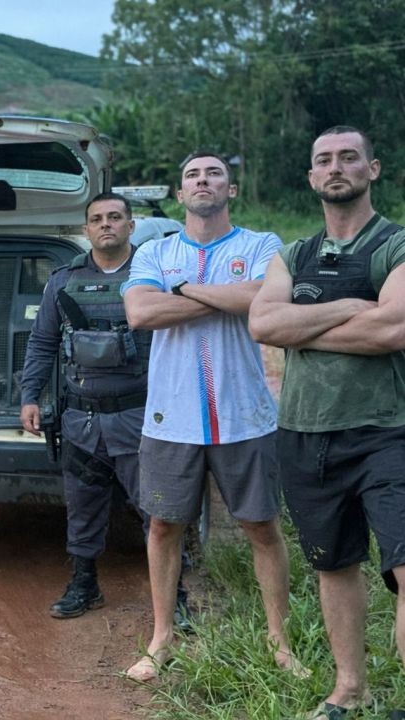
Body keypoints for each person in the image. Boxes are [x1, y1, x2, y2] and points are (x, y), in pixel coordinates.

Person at [121, 152, 304, 681]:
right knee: (162, 526)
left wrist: (178, 290)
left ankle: (280, 639)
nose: (203, 181)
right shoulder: (155, 250)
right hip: (170, 417)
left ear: (233, 189)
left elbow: (266, 298)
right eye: (193, 176)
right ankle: (162, 638)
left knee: (263, 527)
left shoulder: (262, 245)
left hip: (245, 415)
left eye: (214, 173)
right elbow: (140, 313)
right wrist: (229, 299)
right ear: (180, 194)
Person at [249, 126, 405, 719]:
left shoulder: (395, 245)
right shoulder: (293, 254)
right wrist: (348, 308)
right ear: (312, 177)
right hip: (305, 432)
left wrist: (305, 321)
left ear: (373, 168)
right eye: (324, 160)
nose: (336, 167)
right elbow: (264, 326)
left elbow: (393, 329)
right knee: (334, 564)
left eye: (348, 157)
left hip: (387, 429)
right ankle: (349, 689)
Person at [20, 192, 190, 628]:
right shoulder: (63, 280)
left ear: (131, 226)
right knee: (82, 505)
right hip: (82, 419)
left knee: (157, 508)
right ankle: (85, 584)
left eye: (115, 217)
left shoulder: (153, 276)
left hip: (143, 416)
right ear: (86, 229)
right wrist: (30, 396)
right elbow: (41, 344)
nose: (106, 225)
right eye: (97, 219)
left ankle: (177, 597)